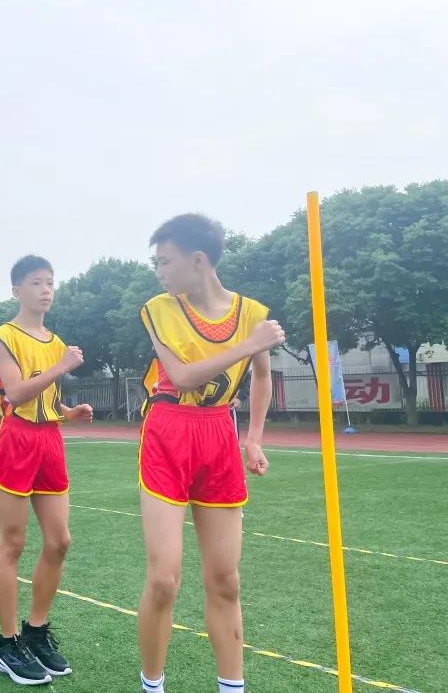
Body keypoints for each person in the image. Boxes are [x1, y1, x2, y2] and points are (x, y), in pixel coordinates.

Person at [137, 214, 284, 693]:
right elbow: (182, 377)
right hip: (168, 432)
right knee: (164, 579)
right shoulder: (158, 309)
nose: (159, 271)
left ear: (198, 260)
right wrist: (250, 343)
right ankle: (152, 684)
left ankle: (232, 687)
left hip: (219, 434)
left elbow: (261, 376)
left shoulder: (251, 313)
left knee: (225, 579)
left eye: (165, 261)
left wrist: (254, 437)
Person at [0, 255, 94, 686]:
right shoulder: (5, 336)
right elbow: (16, 393)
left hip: (50, 440)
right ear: (17, 290)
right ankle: (7, 645)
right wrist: (62, 365)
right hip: (16, 439)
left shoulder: (55, 341)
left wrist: (68, 412)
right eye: (36, 282)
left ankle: (35, 631)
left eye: (50, 282)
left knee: (60, 540)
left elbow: (46, 397)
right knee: (13, 542)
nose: (46, 289)